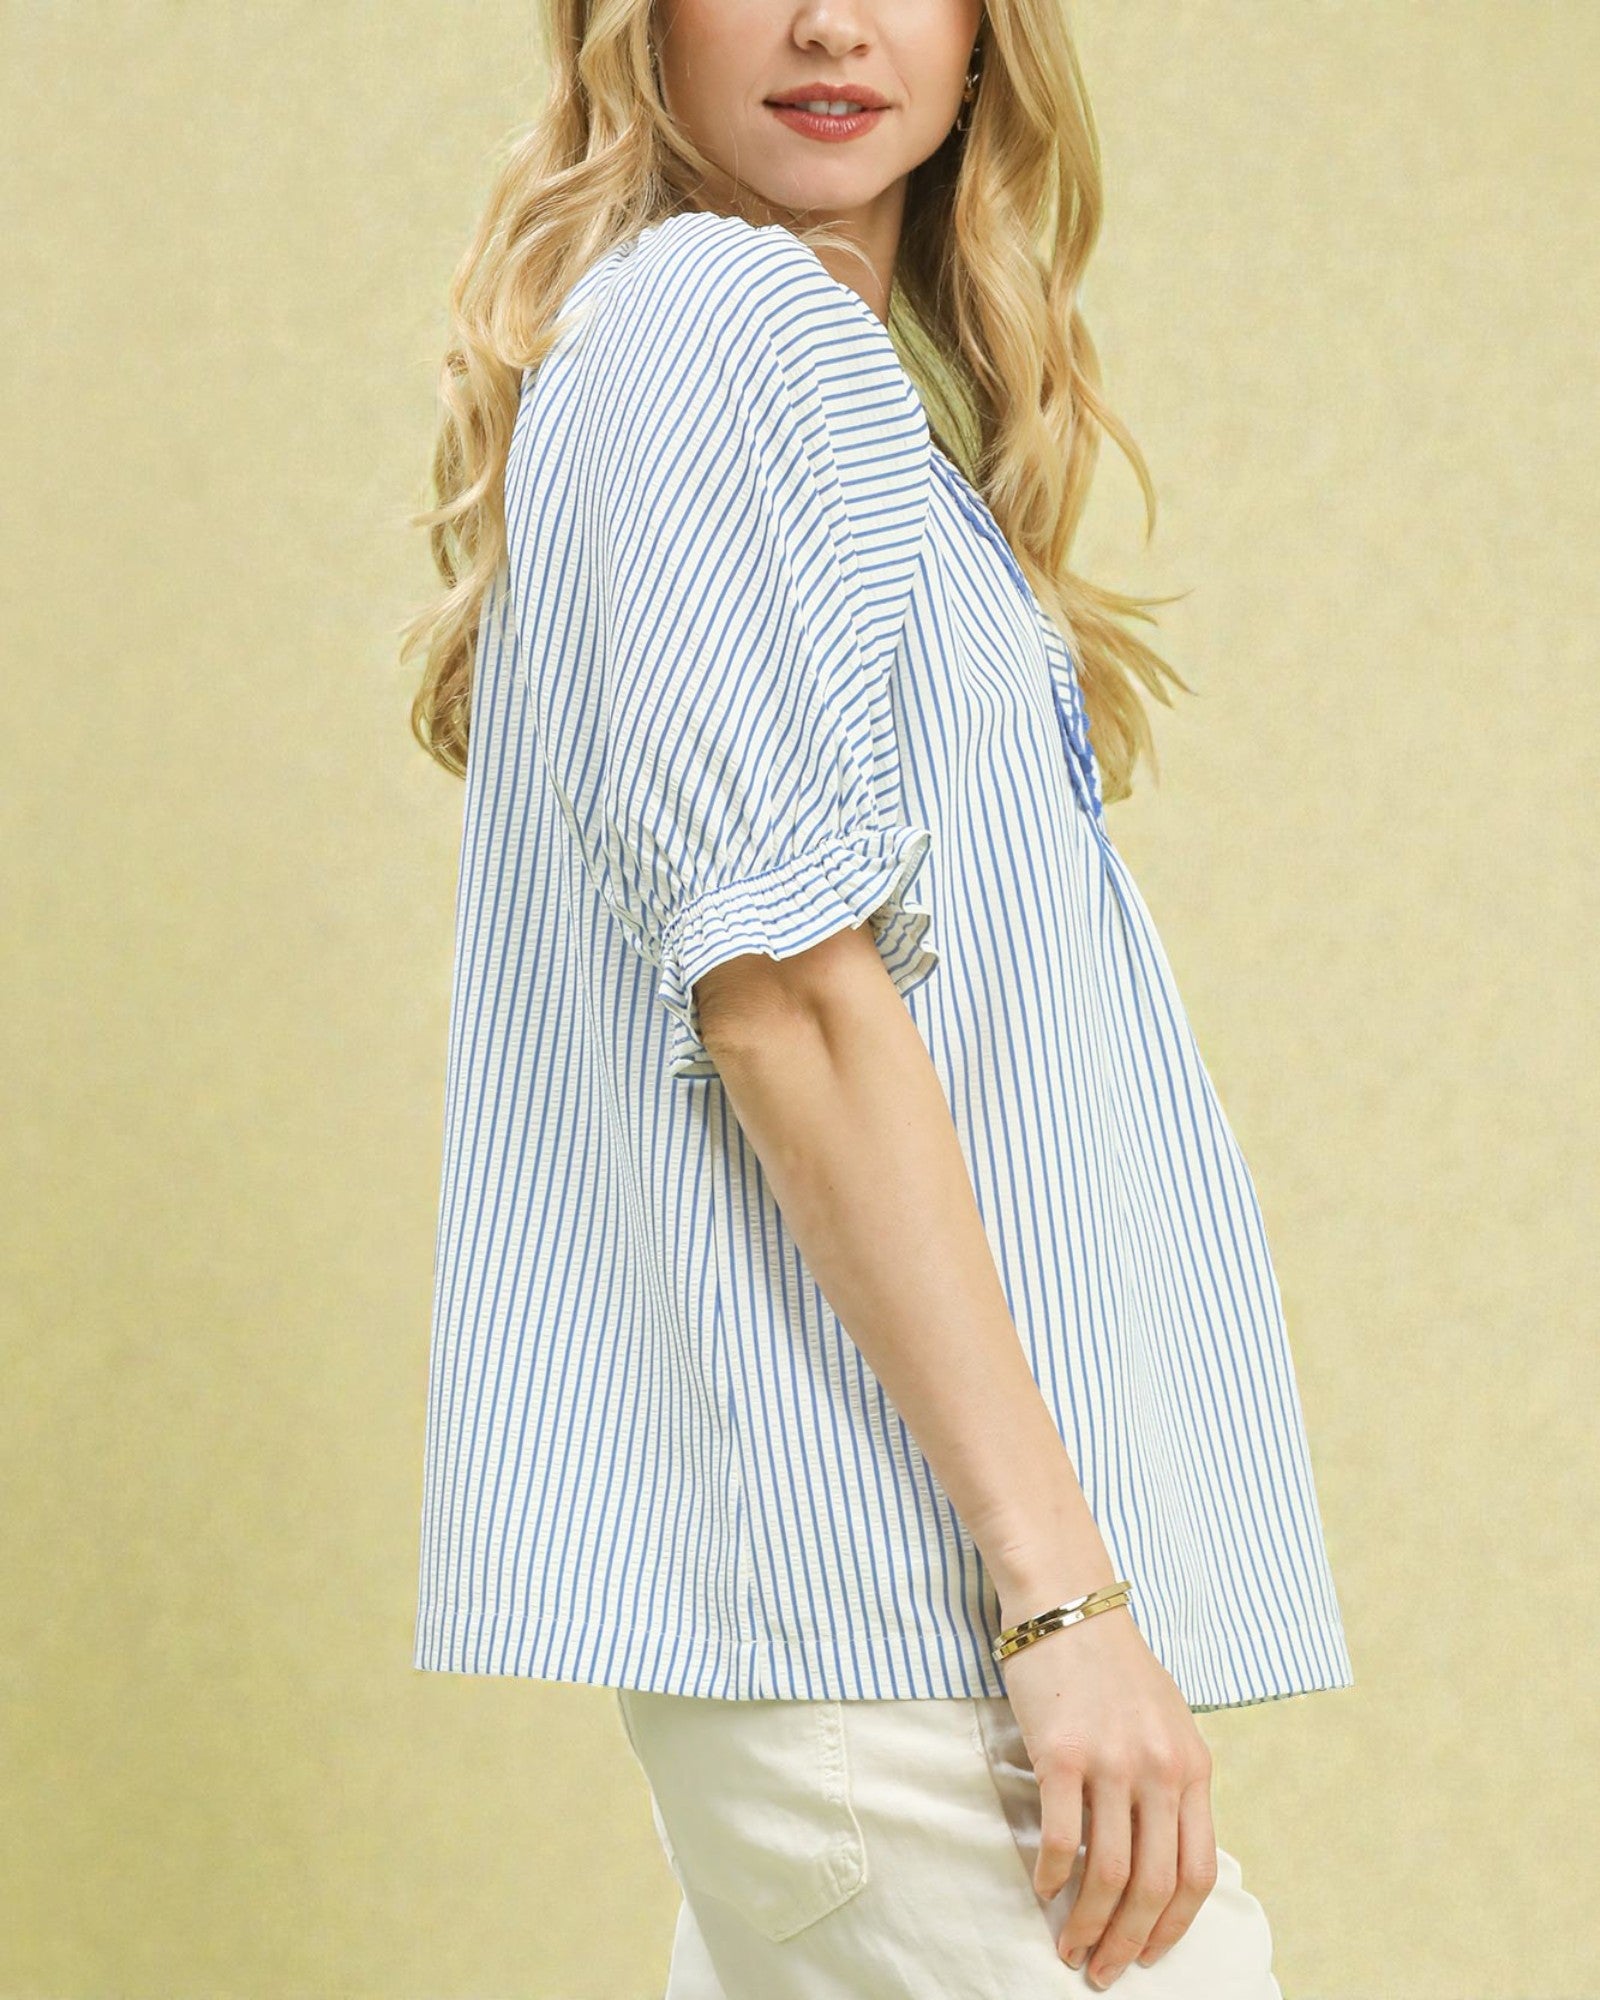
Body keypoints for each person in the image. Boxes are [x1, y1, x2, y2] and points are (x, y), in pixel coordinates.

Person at [402, 1, 1355, 1993]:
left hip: (860, 1634)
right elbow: (785, 1011)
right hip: (893, 1633)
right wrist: (1058, 1603)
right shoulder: (713, 333)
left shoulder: (813, 380)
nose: (831, 19)